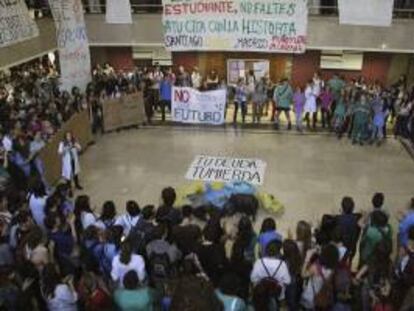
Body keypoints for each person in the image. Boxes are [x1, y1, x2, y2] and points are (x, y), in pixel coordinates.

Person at [251, 240, 291, 308]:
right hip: (277, 294)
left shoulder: (259, 262)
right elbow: (287, 281)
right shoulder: (282, 264)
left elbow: (253, 278)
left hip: (261, 294)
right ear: (279, 252)